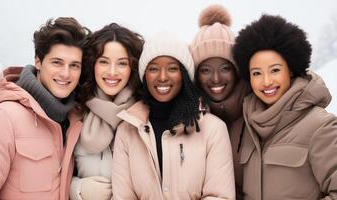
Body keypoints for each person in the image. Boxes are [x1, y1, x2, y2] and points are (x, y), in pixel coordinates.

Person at [112, 31, 235, 200]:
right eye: (154, 68)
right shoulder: (127, 131)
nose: (162, 77)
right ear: (144, 75)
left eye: (172, 68)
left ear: (184, 75)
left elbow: (220, 196)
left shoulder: (213, 129)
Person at [232, 14, 337, 200]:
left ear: (291, 69)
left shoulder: (321, 127)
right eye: (257, 73)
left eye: (275, 70)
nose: (266, 81)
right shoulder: (248, 128)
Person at [0, 17, 89, 200]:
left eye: (74, 65)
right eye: (57, 62)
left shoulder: (75, 121)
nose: (66, 74)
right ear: (38, 62)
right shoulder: (5, 117)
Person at [69, 23, 144, 200]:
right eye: (103, 61)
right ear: (92, 64)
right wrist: (77, 189)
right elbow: (51, 175)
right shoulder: (74, 112)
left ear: (132, 67)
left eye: (122, 63)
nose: (112, 72)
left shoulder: (146, 113)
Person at [189, 5, 250, 199]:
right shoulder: (187, 120)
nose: (216, 79)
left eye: (225, 68)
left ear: (237, 70)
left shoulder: (258, 114)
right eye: (205, 70)